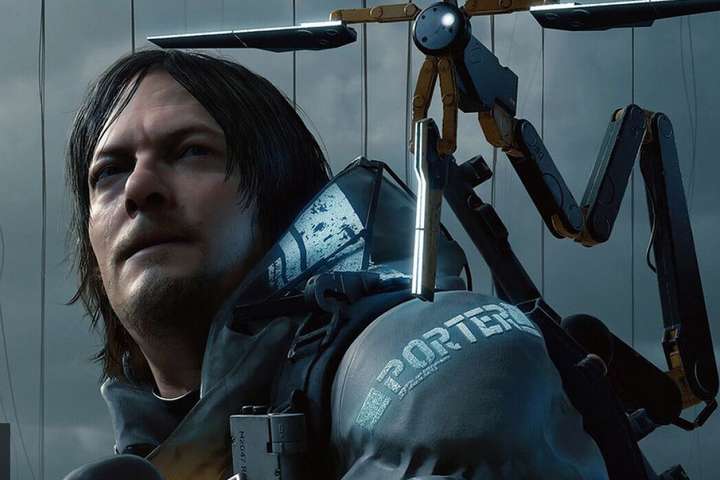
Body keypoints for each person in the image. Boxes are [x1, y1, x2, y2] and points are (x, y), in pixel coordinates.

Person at [62, 49, 612, 480]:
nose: (138, 188)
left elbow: (466, 410)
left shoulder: (419, 360)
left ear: (284, 203)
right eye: (109, 171)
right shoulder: (145, 452)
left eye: (191, 151)